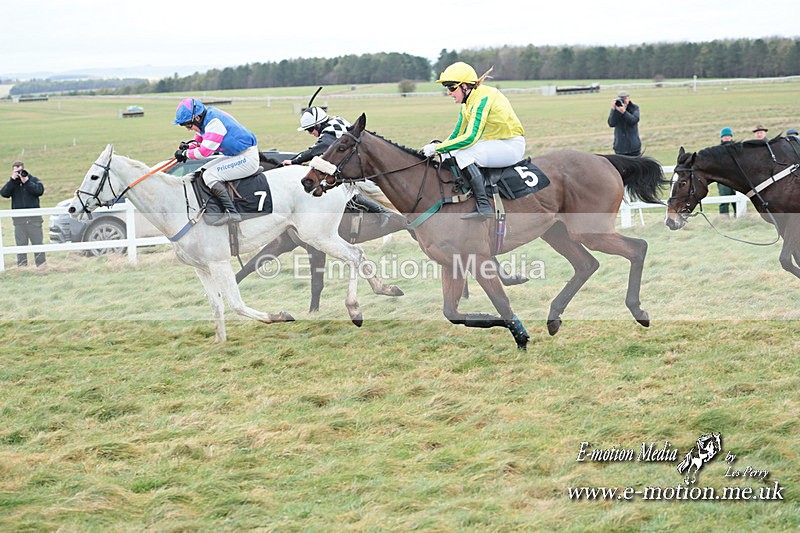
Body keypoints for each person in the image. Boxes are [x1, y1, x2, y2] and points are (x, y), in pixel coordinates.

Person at [422, 62, 526, 219]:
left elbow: (471, 137)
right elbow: (458, 133)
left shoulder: (483, 97)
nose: (449, 92)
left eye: (451, 87)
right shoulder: (467, 103)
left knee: (464, 154)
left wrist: (439, 148)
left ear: (464, 86)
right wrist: (439, 148)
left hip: (510, 145)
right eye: (447, 88)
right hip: (495, 143)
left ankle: (484, 205)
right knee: (450, 154)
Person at [282, 106, 396, 226]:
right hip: (360, 160)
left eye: (310, 129)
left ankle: (382, 211)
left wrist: (294, 161)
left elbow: (316, 149)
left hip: (360, 164)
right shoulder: (335, 120)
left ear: (319, 124)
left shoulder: (330, 131)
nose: (311, 133)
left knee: (348, 190)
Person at [172, 98, 259, 225]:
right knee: (202, 171)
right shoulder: (207, 118)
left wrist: (185, 154)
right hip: (236, 155)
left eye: (188, 125)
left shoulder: (214, 123)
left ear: (197, 118)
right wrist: (188, 147)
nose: (188, 129)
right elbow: (200, 140)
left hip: (247, 158)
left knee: (209, 175)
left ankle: (232, 213)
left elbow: (204, 152)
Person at [1, 161, 46, 266]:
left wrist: (26, 181)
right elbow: (4, 193)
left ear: (24, 169)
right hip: (19, 222)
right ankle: (22, 267)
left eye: (20, 170)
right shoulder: (13, 184)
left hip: (34, 221)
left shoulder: (33, 180)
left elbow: (39, 191)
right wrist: (12, 180)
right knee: (20, 246)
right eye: (16, 171)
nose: (19, 173)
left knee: (38, 245)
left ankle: (42, 267)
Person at [607, 90, 642, 156]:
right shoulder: (616, 109)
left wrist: (624, 112)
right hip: (620, 147)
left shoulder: (634, 108)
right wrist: (613, 110)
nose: (624, 101)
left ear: (629, 98)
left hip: (633, 147)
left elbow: (634, 120)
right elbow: (611, 123)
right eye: (621, 99)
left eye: (625, 98)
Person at [717, 127, 737, 217]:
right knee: (724, 200)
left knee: (737, 200)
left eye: (728, 136)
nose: (727, 138)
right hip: (723, 179)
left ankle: (739, 217)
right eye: (725, 136)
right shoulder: (717, 150)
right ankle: (724, 219)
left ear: (731, 137)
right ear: (721, 138)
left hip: (736, 179)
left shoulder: (736, 148)